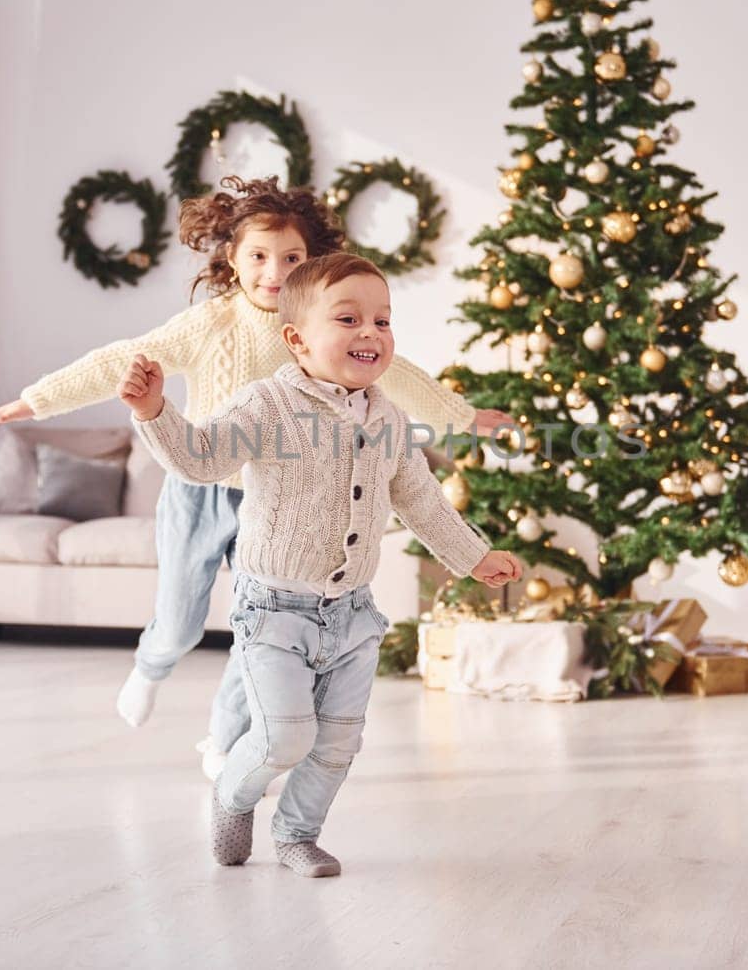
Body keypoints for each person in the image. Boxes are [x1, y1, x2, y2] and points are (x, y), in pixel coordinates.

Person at [122, 252, 521, 876]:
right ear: (296, 339)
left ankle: (296, 835)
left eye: (383, 320)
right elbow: (201, 458)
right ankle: (233, 792)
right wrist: (155, 413)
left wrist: (473, 556)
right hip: (273, 609)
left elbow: (419, 498)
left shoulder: (387, 416)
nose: (371, 333)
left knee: (337, 743)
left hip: (353, 615)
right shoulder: (267, 404)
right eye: (349, 319)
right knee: (285, 736)